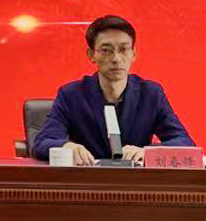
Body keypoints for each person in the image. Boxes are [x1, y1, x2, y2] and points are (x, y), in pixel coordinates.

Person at [31, 15, 193, 166]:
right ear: (91, 55)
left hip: (136, 182)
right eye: (106, 50)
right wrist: (66, 146)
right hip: (87, 181)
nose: (116, 59)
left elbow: (184, 143)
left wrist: (148, 152)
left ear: (134, 54)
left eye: (123, 49)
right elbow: (42, 142)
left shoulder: (151, 94)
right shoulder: (71, 95)